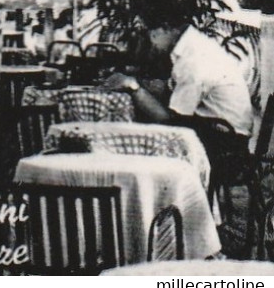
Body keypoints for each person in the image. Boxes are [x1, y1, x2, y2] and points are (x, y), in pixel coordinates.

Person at [101, 12, 254, 182]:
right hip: (224, 134)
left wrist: (133, 87)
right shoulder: (196, 44)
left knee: (139, 140)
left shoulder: (193, 60)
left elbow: (170, 121)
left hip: (226, 147)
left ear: (166, 28)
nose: (151, 42)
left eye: (151, 34)